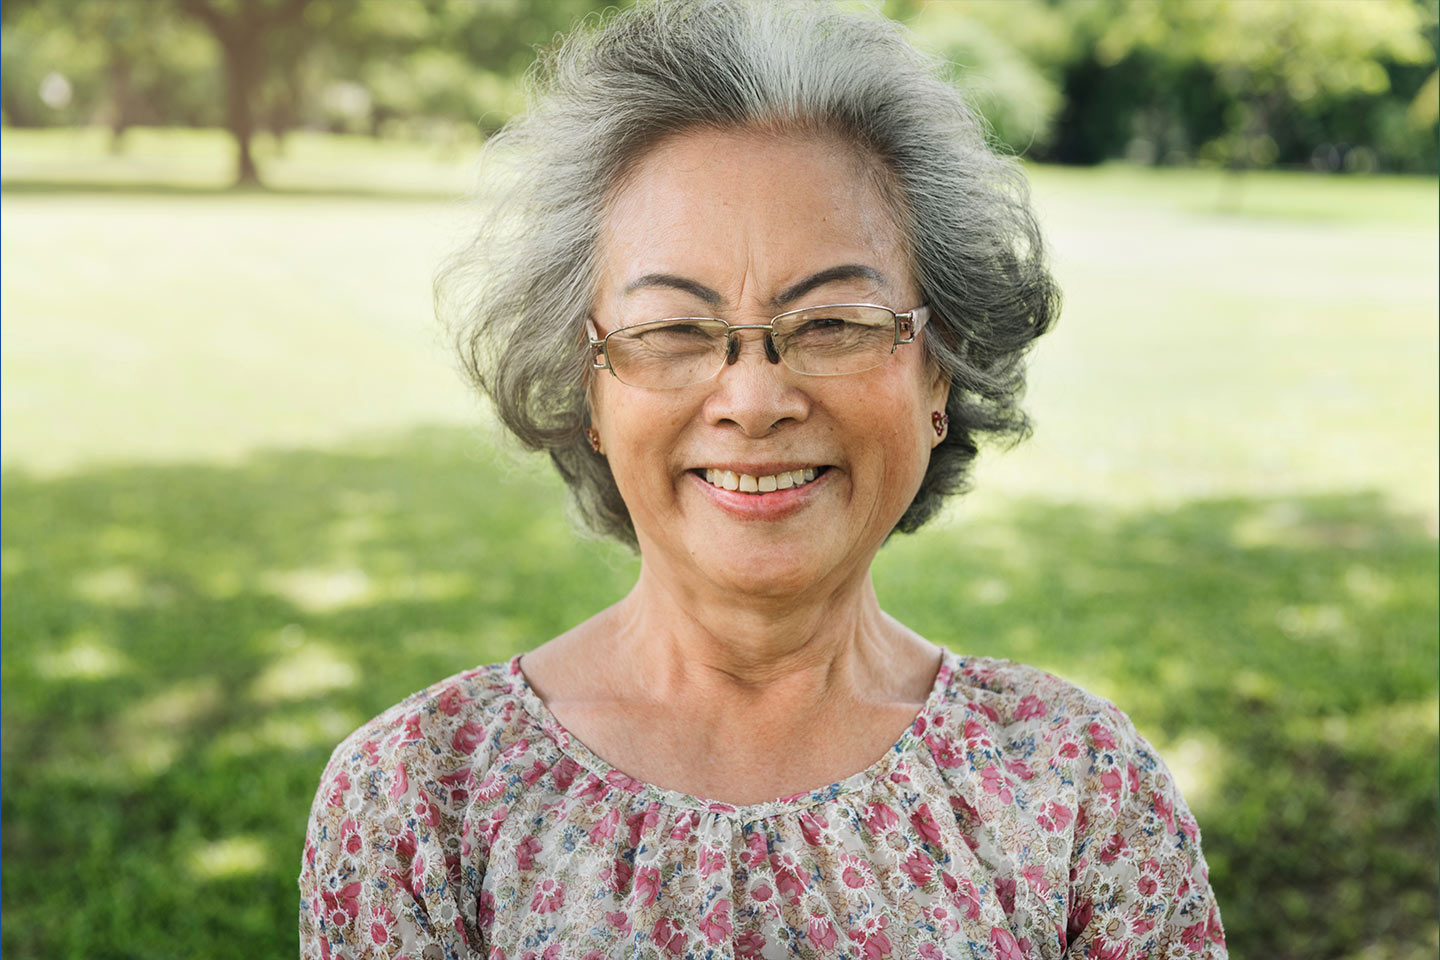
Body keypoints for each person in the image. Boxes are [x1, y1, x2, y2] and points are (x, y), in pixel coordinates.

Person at [298, 1, 1227, 957]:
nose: (752, 398)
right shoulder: (420, 799)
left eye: (832, 323)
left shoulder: (1080, 789)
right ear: (589, 389)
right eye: (672, 331)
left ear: (938, 372)